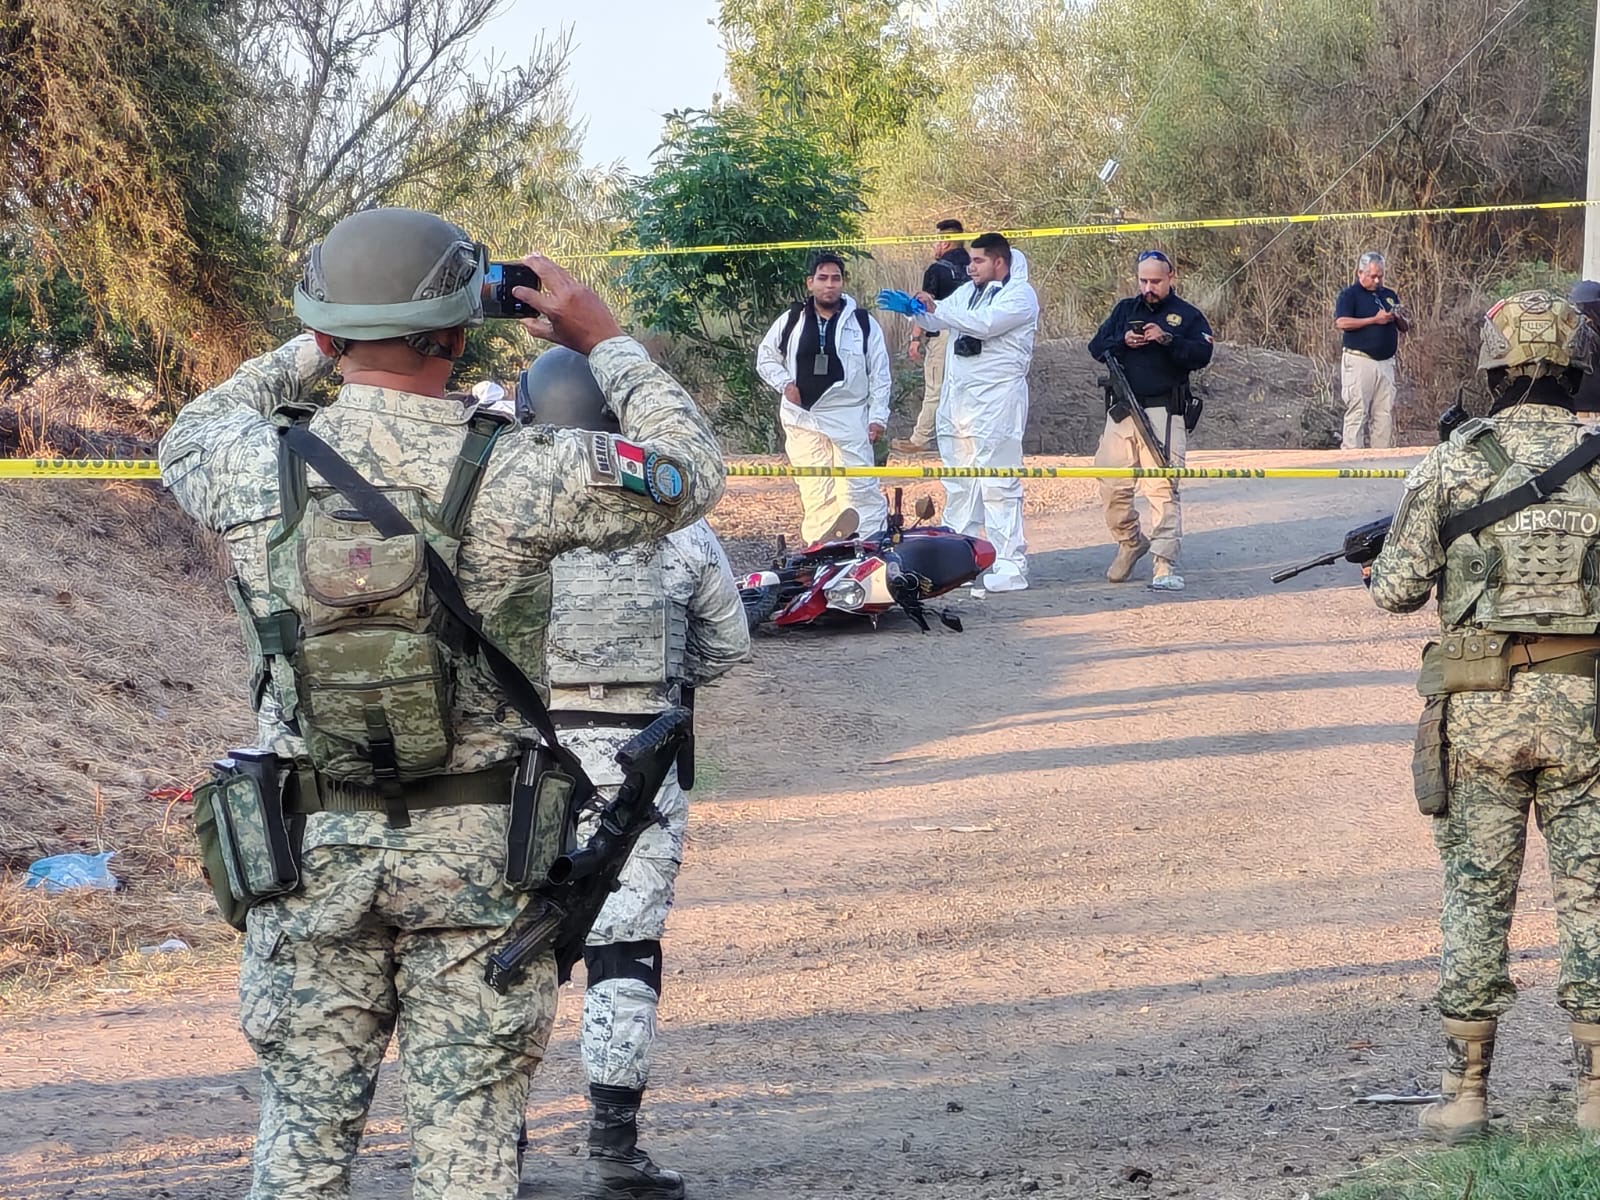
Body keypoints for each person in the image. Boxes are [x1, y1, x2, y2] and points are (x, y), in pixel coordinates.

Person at [156, 207, 725, 1200]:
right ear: (462, 332)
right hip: (480, 860)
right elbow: (689, 471)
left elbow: (196, 422)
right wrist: (606, 341)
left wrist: (323, 339)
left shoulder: (244, 460)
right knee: (468, 1146)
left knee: (297, 1138)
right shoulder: (526, 464)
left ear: (327, 337)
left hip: (303, 856)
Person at [517, 348, 751, 1199]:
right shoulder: (675, 524)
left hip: (521, 764)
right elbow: (727, 645)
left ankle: (491, 1144)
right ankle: (614, 1148)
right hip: (639, 768)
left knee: (509, 950)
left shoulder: (503, 520)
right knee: (625, 951)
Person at [1369, 290, 1600, 1142]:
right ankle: (1595, 1100)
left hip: (1478, 714)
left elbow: (1397, 591)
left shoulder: (1451, 463)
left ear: (1494, 365)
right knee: (1594, 902)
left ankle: (1464, 1096)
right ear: (1575, 364)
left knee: (1475, 900)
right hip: (1589, 713)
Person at [910, 231, 1040, 593]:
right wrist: (920, 309)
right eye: (971, 260)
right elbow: (946, 318)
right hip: (960, 399)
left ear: (999, 262)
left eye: (979, 260)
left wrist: (940, 311)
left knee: (998, 483)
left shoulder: (1020, 296)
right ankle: (960, 560)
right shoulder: (968, 291)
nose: (971, 266)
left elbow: (985, 324)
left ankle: (1009, 562)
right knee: (961, 483)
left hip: (997, 400)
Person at [1087, 249, 1214, 592]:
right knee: (1111, 484)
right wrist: (1123, 341)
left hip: (1164, 412)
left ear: (1171, 277)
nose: (1148, 287)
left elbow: (1202, 354)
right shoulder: (1126, 310)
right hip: (1123, 409)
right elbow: (1096, 346)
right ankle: (1130, 541)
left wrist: (1167, 339)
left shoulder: (1187, 315)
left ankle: (1164, 562)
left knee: (1162, 488)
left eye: (1155, 281)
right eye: (1143, 280)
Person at [756, 250, 891, 544]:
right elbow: (765, 358)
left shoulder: (863, 323)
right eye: (823, 278)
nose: (829, 285)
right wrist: (785, 384)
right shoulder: (792, 319)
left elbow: (880, 373)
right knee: (816, 489)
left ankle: (869, 551)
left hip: (850, 415)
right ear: (810, 283)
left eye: (836, 278)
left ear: (843, 283)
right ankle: (821, 554)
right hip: (802, 419)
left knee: (860, 489)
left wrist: (878, 416)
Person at [893, 219, 970, 455]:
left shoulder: (937, 270)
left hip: (942, 334)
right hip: (971, 334)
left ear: (945, 241)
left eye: (936, 240)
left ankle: (920, 438)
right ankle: (963, 438)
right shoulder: (974, 265)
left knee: (935, 388)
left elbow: (924, 307)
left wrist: (915, 339)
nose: (934, 246)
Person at [1335, 251, 1411, 449]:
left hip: (1385, 362)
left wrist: (1397, 317)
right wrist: (1374, 320)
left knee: (1383, 413)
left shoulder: (1388, 295)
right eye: (1372, 276)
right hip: (1360, 360)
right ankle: (1352, 457)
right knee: (1358, 410)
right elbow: (1342, 322)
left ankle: (1380, 457)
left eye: (1380, 276)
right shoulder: (1349, 295)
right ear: (1360, 273)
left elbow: (1405, 327)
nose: (1377, 280)